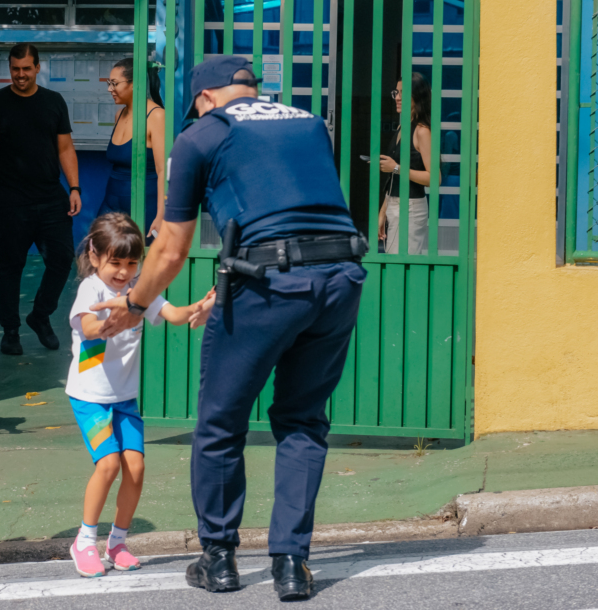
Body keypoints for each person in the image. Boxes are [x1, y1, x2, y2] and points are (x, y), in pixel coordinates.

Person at [92, 56, 366, 602]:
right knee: (304, 421)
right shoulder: (309, 122)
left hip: (268, 284)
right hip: (340, 277)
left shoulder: (201, 135)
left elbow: (171, 249)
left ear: (204, 98)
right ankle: (292, 564)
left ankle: (219, 558)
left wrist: (134, 304)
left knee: (221, 422)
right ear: (252, 89)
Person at [67, 213, 210, 578]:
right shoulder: (91, 290)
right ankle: (84, 541)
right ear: (94, 255)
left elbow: (175, 314)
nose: (124, 271)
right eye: (116, 262)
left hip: (124, 399)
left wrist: (201, 307)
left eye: (132, 263)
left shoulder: (139, 291)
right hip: (90, 398)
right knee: (108, 464)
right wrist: (112, 321)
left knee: (136, 467)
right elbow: (88, 326)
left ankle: (117, 543)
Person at [0, 43, 81, 356]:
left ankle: (40, 315)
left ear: (37, 68)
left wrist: (75, 188)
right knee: (10, 266)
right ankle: (10, 331)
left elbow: (65, 148)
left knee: (62, 259)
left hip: (51, 196)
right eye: (15, 69)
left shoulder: (53, 101)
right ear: (10, 68)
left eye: (26, 69)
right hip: (9, 199)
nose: (20, 75)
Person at [100, 58, 167, 240]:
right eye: (109, 83)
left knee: (143, 256)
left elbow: (164, 171)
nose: (110, 89)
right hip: (111, 203)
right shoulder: (119, 115)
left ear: (134, 84)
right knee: (98, 251)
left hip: (145, 205)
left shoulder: (157, 116)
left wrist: (161, 215)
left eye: (115, 83)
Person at [378, 73, 432, 255]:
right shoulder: (403, 127)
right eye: (396, 92)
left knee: (401, 265)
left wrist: (395, 168)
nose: (397, 97)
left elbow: (434, 177)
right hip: (396, 205)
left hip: (410, 208)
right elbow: (394, 179)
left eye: (403, 92)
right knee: (398, 264)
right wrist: (383, 212)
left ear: (418, 96)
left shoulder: (422, 131)